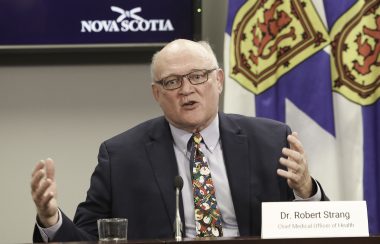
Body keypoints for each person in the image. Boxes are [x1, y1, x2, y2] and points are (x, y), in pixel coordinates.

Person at [31, 39, 328, 242]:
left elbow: (318, 230)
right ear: (157, 94)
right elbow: (88, 238)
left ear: (219, 81)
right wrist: (51, 219)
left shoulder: (271, 140)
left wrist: (306, 191)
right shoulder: (120, 156)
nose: (187, 90)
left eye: (198, 76)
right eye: (172, 82)